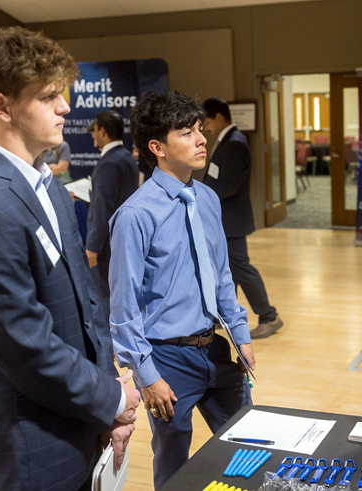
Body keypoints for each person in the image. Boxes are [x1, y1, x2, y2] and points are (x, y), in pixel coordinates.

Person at [0, 27, 141, 490]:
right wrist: (111, 398)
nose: (65, 107)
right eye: (48, 96)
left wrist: (110, 394)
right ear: (1, 106)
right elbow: (26, 346)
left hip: (83, 422)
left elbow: (88, 306)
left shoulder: (52, 188)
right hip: (27, 448)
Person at [109, 90, 255, 489]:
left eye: (200, 130)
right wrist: (146, 374)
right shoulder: (135, 215)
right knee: (175, 468)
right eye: (187, 133)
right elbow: (123, 309)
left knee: (250, 443)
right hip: (167, 362)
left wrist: (240, 334)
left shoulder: (207, 198)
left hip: (216, 349)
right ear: (157, 147)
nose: (201, 139)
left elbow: (222, 275)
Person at [202, 97, 283, 339]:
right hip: (226, 220)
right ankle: (225, 315)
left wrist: (203, 193)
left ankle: (269, 316)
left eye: (206, 122)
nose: (205, 128)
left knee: (241, 268)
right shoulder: (228, 140)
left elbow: (230, 184)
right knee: (227, 270)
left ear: (218, 117)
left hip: (232, 220)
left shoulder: (235, 143)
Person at [86, 110, 139, 321]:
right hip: (123, 237)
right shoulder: (126, 157)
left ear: (103, 131)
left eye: (94, 130)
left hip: (107, 243)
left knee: (105, 295)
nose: (92, 135)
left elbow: (102, 208)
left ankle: (109, 348)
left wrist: (92, 246)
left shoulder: (108, 163)